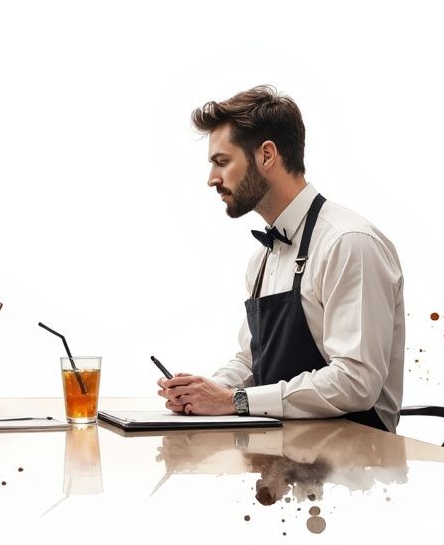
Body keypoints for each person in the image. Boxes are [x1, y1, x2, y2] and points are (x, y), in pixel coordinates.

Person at [157, 85, 404, 432]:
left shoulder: (349, 243)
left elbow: (356, 382)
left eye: (222, 162)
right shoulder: (261, 260)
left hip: (353, 468)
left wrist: (233, 401)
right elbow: (252, 359)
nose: (212, 179)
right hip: (284, 457)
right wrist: (203, 391)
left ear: (267, 155)